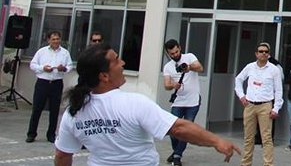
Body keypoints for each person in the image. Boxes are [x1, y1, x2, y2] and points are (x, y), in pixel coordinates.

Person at [53, 44, 239, 166]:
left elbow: (62, 155)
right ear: (104, 76)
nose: (123, 63)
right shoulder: (133, 103)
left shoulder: (73, 111)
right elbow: (179, 128)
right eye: (117, 60)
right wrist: (217, 140)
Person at [234, 41, 283, 166]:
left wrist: (276, 108)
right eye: (261, 51)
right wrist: (241, 96)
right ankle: (246, 163)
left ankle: (268, 164)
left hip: (265, 106)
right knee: (248, 138)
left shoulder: (274, 70)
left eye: (266, 52)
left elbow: (278, 90)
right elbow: (238, 80)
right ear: (256, 54)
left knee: (266, 138)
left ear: (269, 54)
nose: (264, 54)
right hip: (249, 105)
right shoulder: (250, 67)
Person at [162, 39, 204, 166]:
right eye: (172, 54)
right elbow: (166, 85)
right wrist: (173, 85)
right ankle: (177, 151)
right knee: (173, 129)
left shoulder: (189, 57)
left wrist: (189, 67)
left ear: (180, 48)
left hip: (193, 101)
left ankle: (177, 156)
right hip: (178, 102)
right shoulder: (168, 67)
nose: (175, 55)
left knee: (186, 130)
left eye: (176, 52)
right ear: (168, 54)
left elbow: (200, 68)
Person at [27, 31, 72, 143]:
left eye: (57, 39)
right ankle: (31, 133)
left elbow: (70, 66)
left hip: (56, 83)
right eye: (53, 39)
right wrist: (43, 68)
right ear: (48, 40)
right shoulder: (41, 52)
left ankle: (51, 134)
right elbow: (32, 64)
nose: (56, 41)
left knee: (54, 110)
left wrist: (64, 69)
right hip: (43, 82)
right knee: (37, 108)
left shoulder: (65, 53)